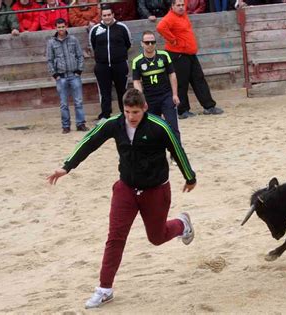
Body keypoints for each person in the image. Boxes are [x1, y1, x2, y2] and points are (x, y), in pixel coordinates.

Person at [47, 88, 197, 309]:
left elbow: (177, 149)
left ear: (144, 108)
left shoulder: (159, 127)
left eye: (135, 112)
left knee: (156, 237)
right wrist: (66, 166)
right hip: (126, 188)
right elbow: (90, 141)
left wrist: (189, 176)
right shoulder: (114, 124)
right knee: (115, 237)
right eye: (127, 111)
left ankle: (181, 224)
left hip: (155, 189)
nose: (131, 117)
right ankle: (104, 289)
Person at [156, 0, 224, 119]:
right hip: (178, 54)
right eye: (178, 5)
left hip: (189, 53)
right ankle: (182, 110)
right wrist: (172, 40)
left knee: (199, 79)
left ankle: (209, 106)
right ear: (172, 6)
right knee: (182, 83)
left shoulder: (183, 15)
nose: (182, 7)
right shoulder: (170, 17)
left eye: (183, 5)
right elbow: (160, 27)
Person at [132, 30, 181, 143]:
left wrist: (175, 94)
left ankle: (177, 154)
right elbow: (136, 81)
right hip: (149, 99)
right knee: (152, 128)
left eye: (152, 42)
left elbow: (172, 74)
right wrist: (141, 99)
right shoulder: (137, 61)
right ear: (142, 43)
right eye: (147, 42)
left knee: (173, 126)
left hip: (166, 96)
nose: (150, 45)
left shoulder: (164, 56)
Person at [46, 18, 89, 133]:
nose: (61, 29)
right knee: (64, 103)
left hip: (74, 74)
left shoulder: (73, 40)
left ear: (66, 26)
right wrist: (55, 74)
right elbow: (49, 60)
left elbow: (80, 55)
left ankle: (80, 124)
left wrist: (79, 70)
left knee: (78, 101)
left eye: (63, 27)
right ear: (56, 28)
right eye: (59, 27)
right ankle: (66, 126)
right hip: (61, 76)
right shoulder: (51, 42)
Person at [89, 5, 132, 121]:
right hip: (102, 65)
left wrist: (118, 56)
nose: (107, 17)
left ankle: (125, 114)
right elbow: (93, 45)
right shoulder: (95, 29)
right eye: (104, 15)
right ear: (101, 16)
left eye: (109, 15)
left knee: (122, 91)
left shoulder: (122, 28)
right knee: (104, 91)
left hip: (120, 64)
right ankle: (105, 114)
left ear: (113, 15)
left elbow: (128, 44)